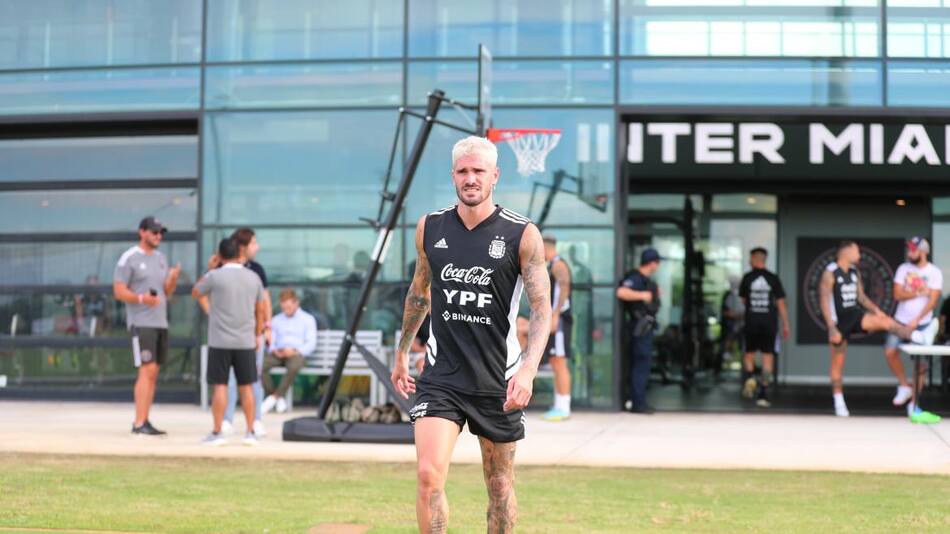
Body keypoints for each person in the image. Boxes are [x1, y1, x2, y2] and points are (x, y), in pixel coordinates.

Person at [390, 135, 552, 534]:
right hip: (442, 375)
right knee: (429, 476)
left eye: (478, 170)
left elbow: (543, 309)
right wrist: (402, 350)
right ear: (453, 176)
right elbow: (419, 291)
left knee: (499, 486)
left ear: (495, 175)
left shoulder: (522, 234)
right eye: (463, 171)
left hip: (497, 379)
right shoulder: (431, 227)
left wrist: (528, 371)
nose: (470, 178)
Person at [819, 240, 932, 417]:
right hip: (838, 323)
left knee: (885, 321)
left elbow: (861, 297)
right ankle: (839, 401)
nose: (859, 254)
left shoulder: (854, 272)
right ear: (846, 252)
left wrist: (877, 311)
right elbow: (824, 301)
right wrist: (831, 328)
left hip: (854, 315)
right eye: (856, 251)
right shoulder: (830, 272)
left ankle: (917, 336)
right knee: (837, 365)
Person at [192, 238, 266, 446]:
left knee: (220, 386)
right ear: (240, 254)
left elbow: (196, 291)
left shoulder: (215, 276)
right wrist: (258, 333)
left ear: (220, 255)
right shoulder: (253, 277)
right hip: (245, 341)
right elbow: (260, 308)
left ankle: (217, 432)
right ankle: (250, 432)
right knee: (247, 386)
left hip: (220, 341)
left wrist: (210, 268)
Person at [112, 216, 181, 436]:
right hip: (141, 323)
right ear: (142, 232)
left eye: (160, 232)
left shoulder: (161, 258)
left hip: (160, 322)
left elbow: (166, 293)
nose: (158, 236)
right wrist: (142, 299)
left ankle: (146, 420)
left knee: (154, 371)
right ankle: (138, 423)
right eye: (154, 232)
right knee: (146, 369)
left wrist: (172, 279)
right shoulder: (129, 258)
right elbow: (119, 291)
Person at [884, 237, 942, 413]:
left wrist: (917, 319)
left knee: (921, 365)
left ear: (923, 251)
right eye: (909, 249)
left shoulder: (934, 272)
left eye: (913, 250)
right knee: (890, 351)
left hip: (922, 324)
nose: (910, 253)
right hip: (901, 321)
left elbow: (932, 300)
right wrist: (918, 291)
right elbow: (897, 294)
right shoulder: (904, 268)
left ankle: (914, 404)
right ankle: (904, 386)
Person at [738, 247, 790, 408]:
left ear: (754, 258)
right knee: (768, 357)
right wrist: (786, 324)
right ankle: (763, 393)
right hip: (769, 323)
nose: (749, 261)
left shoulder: (747, 278)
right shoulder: (773, 278)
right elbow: (781, 304)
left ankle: (751, 376)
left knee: (749, 354)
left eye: (750, 258)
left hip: (752, 322)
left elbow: (743, 301)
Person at [617, 248, 661, 414]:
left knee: (643, 365)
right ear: (652, 263)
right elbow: (621, 292)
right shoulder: (635, 278)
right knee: (640, 365)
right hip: (638, 328)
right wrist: (643, 295)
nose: (658, 266)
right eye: (657, 262)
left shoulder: (647, 280)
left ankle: (638, 401)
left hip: (646, 327)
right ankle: (637, 403)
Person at [261, 288, 317, 413]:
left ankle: (274, 398)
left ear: (296, 303)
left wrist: (295, 351)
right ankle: (277, 397)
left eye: (289, 307)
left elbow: (311, 343)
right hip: (278, 354)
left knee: (293, 366)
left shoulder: (308, 319)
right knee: (259, 365)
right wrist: (274, 349)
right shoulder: (276, 320)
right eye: (284, 307)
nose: (286, 310)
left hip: (297, 354)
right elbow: (271, 341)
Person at [541, 233, 574, 422]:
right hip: (556, 318)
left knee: (560, 362)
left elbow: (564, 289)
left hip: (560, 320)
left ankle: (563, 407)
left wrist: (555, 316)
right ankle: (559, 404)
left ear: (546, 247)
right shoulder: (553, 265)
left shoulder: (558, 265)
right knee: (555, 361)